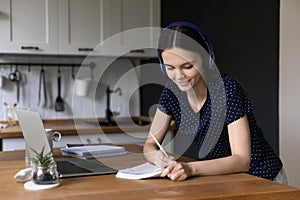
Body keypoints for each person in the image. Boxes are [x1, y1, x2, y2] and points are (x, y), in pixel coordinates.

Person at [143, 21, 286, 183]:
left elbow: (242, 160)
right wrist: (157, 158)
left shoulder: (227, 89)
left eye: (187, 66)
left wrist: (190, 168)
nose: (179, 76)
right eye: (170, 68)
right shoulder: (171, 93)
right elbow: (149, 144)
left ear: (206, 59)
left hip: (263, 178)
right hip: (226, 180)